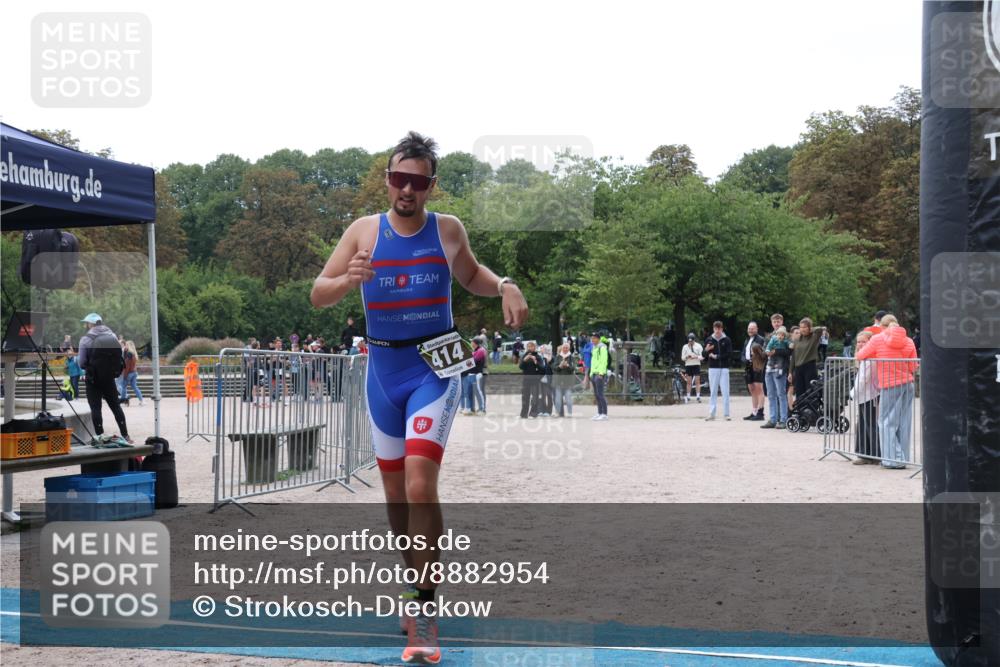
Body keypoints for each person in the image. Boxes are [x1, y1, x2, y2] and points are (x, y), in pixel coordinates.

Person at [310, 131, 528, 663]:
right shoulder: (363, 232)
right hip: (383, 370)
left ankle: (425, 610)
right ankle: (413, 589)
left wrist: (505, 284)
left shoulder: (447, 229)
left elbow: (471, 275)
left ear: (431, 186)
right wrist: (347, 281)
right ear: (388, 180)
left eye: (417, 181)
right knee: (394, 498)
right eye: (397, 179)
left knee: (419, 482)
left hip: (435, 366)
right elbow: (319, 293)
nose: (406, 189)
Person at [856, 314, 918, 469]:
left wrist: (877, 354)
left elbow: (860, 355)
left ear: (882, 327)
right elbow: (913, 367)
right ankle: (903, 458)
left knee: (885, 422)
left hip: (890, 385)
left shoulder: (878, 339)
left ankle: (892, 459)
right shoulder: (909, 341)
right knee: (904, 422)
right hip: (908, 384)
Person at [77, 313, 131, 444]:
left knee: (96, 408)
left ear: (90, 324)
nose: (86, 325)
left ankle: (100, 437)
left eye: (87, 323)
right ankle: (125, 435)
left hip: (93, 378)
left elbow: (82, 362)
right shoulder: (112, 336)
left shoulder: (85, 339)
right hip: (109, 378)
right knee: (116, 406)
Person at [850, 330, 880, 464]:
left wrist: (852, 394)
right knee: (863, 424)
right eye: (858, 341)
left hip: (870, 396)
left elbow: (863, 380)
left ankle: (874, 455)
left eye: (863, 341)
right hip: (864, 396)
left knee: (870, 425)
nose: (860, 344)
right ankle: (864, 453)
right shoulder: (864, 358)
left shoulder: (870, 360)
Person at [789, 318, 827, 402]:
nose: (802, 329)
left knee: (810, 392)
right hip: (798, 368)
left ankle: (811, 413)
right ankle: (801, 413)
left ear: (809, 327)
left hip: (809, 367)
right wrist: (790, 372)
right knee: (799, 392)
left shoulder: (813, 337)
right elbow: (794, 357)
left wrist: (810, 329)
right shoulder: (797, 340)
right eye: (801, 327)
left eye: (805, 327)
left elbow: (820, 329)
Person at [761, 326, 791, 429]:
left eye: (778, 321)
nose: (776, 323)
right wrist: (767, 351)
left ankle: (783, 420)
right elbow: (765, 350)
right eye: (774, 321)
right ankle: (773, 419)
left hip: (780, 368)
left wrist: (776, 351)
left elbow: (789, 352)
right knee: (770, 394)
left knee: (781, 394)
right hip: (769, 368)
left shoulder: (787, 337)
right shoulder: (769, 337)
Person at [703, 321, 733, 421]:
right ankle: (712, 414)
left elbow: (729, 354)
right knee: (713, 391)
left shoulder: (727, 339)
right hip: (713, 368)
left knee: (725, 391)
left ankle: (726, 414)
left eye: (719, 328)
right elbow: (703, 355)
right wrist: (707, 350)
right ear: (713, 329)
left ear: (722, 329)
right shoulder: (709, 339)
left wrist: (717, 356)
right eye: (716, 328)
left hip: (724, 368)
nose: (717, 330)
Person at [742, 322, 766, 420]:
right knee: (752, 389)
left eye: (752, 328)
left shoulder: (760, 339)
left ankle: (760, 412)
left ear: (756, 329)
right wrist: (744, 359)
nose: (750, 330)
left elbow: (762, 354)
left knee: (759, 388)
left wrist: (754, 358)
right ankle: (754, 411)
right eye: (749, 328)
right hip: (748, 365)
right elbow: (743, 352)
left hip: (757, 366)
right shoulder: (747, 339)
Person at [461, 339, 486, 415]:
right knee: (468, 393)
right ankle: (469, 409)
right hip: (470, 374)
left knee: (478, 392)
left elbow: (472, 361)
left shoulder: (481, 350)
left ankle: (482, 409)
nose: (471, 343)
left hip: (477, 374)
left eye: (472, 342)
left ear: (475, 343)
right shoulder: (474, 351)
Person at [552, 342, 577, 417]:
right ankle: (557, 412)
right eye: (564, 347)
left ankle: (569, 413)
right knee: (558, 399)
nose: (565, 349)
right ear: (562, 348)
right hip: (558, 380)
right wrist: (560, 366)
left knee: (568, 398)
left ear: (569, 348)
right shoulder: (558, 357)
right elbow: (554, 368)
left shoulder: (571, 357)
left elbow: (573, 368)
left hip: (568, 381)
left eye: (567, 347)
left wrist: (568, 365)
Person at [519, 341, 543, 418]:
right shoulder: (524, 356)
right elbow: (521, 367)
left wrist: (535, 361)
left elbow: (542, 368)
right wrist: (525, 360)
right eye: (528, 347)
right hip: (526, 379)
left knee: (535, 397)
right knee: (525, 397)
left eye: (531, 346)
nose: (530, 348)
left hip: (535, 379)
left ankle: (533, 413)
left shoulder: (538, 356)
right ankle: (523, 414)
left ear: (534, 348)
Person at [589, 332, 609, 420]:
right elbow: (593, 362)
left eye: (594, 338)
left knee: (600, 394)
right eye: (591, 338)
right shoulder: (594, 348)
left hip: (599, 374)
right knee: (596, 395)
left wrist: (601, 373)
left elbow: (604, 361)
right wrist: (591, 373)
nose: (592, 340)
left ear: (598, 339)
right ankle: (599, 412)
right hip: (593, 373)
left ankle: (604, 414)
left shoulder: (602, 348)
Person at [118, 340, 144, 407]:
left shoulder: (129, 354)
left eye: (126, 344)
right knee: (134, 386)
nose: (125, 345)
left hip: (129, 373)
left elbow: (127, 366)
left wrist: (125, 375)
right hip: (134, 372)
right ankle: (141, 401)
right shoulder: (133, 353)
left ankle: (123, 400)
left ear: (129, 346)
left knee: (123, 387)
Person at [680, 333, 703, 402]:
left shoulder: (698, 346)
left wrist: (695, 357)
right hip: (688, 365)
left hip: (696, 364)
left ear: (694, 340)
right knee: (689, 382)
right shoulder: (685, 347)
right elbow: (682, 358)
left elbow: (702, 356)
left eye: (692, 341)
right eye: (689, 341)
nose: (690, 342)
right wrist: (687, 357)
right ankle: (688, 396)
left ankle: (698, 396)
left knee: (697, 381)